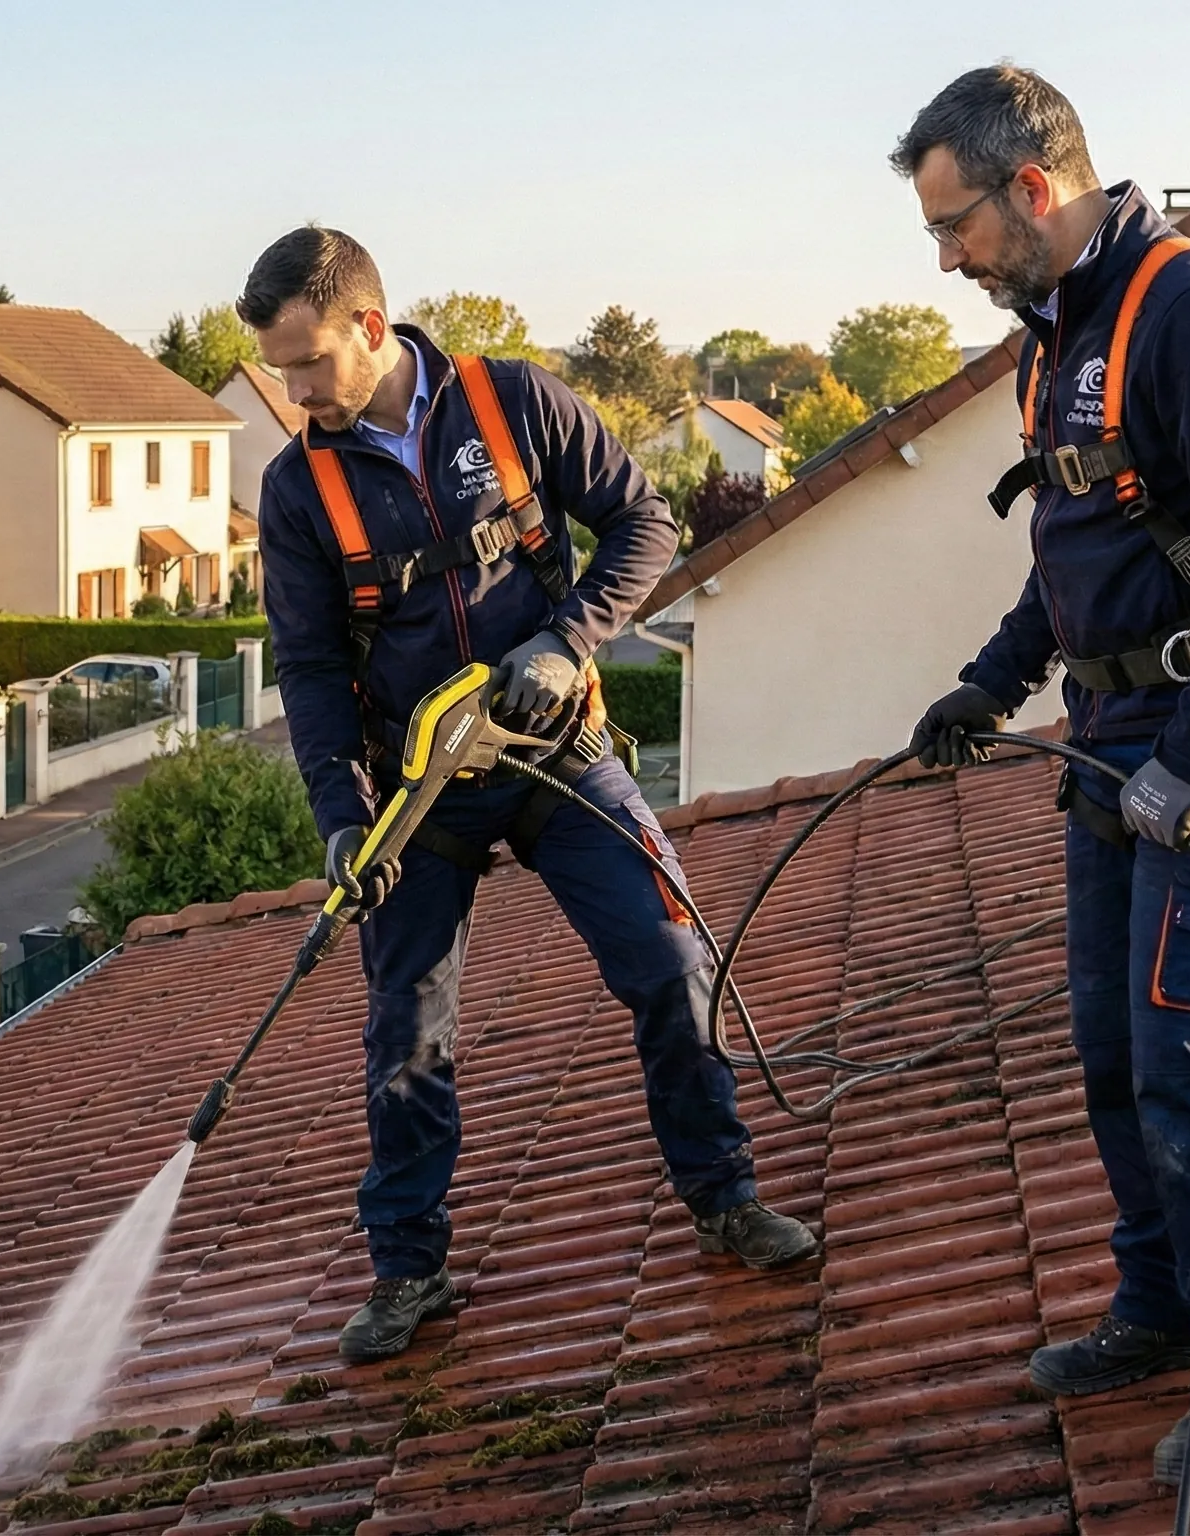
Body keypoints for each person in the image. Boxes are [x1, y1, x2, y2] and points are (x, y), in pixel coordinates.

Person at [238, 227, 819, 1366]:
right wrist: (344, 819)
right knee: (406, 1029)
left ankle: (724, 1196)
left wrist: (567, 636)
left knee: (671, 960)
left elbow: (644, 523)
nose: (295, 391)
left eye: (308, 364)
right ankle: (408, 1267)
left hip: (559, 754)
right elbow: (307, 670)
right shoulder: (295, 486)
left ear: (368, 325)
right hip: (421, 792)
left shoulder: (511, 404)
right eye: (279, 371)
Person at [895, 67, 1190, 1489]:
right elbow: (1072, 560)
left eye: (955, 225)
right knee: (1107, 1047)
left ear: (1033, 190)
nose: (947, 258)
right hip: (1110, 738)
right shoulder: (1055, 342)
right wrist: (990, 679)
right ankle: (1158, 1306)